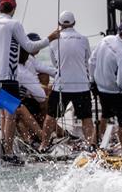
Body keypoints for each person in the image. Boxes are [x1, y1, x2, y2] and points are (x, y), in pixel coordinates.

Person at [0, 0, 59, 161]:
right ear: (14, 8)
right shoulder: (13, 24)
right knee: (10, 115)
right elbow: (30, 46)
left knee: (4, 114)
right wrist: (50, 38)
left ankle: (5, 149)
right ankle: (9, 153)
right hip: (7, 78)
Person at [88, 19, 122, 158]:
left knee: (105, 116)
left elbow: (91, 61)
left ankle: (93, 145)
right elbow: (121, 82)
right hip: (117, 93)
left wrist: (92, 82)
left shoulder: (106, 40)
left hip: (101, 89)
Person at [40, 11, 94, 151]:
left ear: (59, 24)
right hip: (81, 85)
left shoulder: (53, 41)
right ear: (74, 23)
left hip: (61, 86)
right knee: (86, 118)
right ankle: (91, 146)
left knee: (51, 116)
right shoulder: (83, 39)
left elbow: (55, 64)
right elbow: (87, 60)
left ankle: (43, 145)